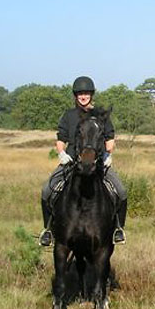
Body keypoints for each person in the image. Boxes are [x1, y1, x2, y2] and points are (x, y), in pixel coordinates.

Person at [39, 76, 128, 246]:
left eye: (86, 93)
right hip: (72, 161)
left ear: (91, 95)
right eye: (80, 93)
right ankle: (48, 230)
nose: (83, 96)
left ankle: (118, 228)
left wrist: (108, 154)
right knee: (46, 191)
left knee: (121, 191)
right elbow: (61, 139)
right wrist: (62, 154)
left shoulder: (101, 114)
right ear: (75, 95)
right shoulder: (68, 115)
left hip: (98, 162)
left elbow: (110, 140)